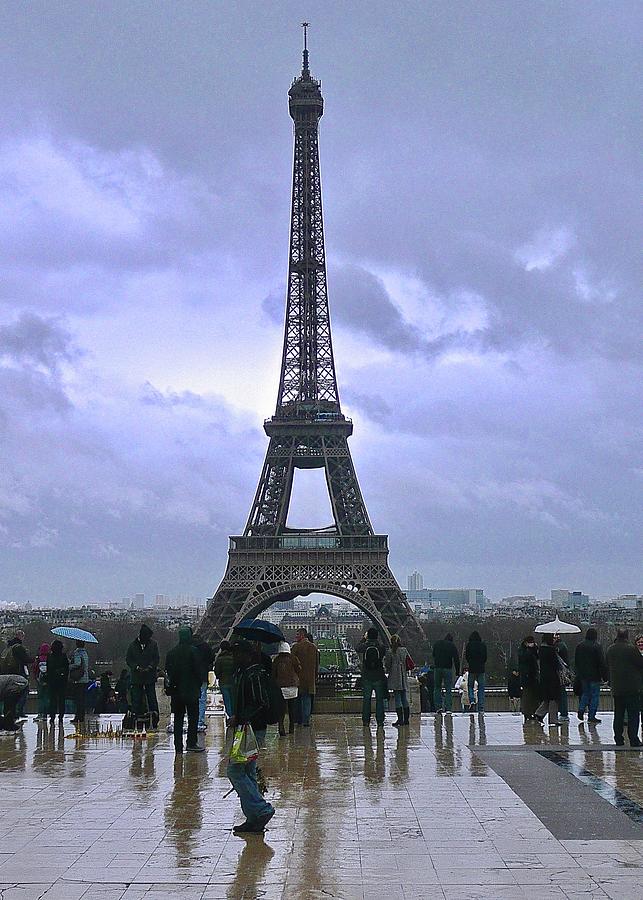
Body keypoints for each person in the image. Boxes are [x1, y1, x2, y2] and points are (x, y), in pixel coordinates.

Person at [227, 640, 276, 834]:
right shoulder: (248, 673)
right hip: (249, 727)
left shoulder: (253, 674)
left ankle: (261, 809)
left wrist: (240, 717)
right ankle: (253, 819)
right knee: (247, 772)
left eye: (237, 654)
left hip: (251, 729)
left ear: (246, 656)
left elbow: (260, 703)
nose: (234, 658)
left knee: (235, 771)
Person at [165, 626, 204, 754]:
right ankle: (191, 743)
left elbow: (168, 672)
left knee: (178, 719)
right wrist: (197, 684)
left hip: (177, 692)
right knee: (193, 718)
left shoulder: (171, 653)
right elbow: (199, 671)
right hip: (191, 690)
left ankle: (178, 746)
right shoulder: (194, 651)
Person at [606, 628, 643, 747]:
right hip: (632, 687)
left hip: (617, 687)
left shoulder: (610, 649)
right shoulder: (631, 649)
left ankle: (618, 738)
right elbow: (640, 664)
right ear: (627, 636)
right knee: (633, 714)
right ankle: (633, 739)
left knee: (618, 714)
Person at [126, 624, 160, 730]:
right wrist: (136, 668)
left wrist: (150, 667)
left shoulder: (151, 644)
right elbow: (129, 660)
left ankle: (153, 718)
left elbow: (156, 659)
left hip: (147, 675)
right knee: (137, 699)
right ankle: (136, 717)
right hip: (138, 676)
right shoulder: (134, 645)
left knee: (151, 698)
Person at [574, 627, 607, 724]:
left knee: (585, 693)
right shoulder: (597, 646)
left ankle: (581, 709)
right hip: (595, 675)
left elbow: (576, 661)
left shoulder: (579, 646)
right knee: (595, 696)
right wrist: (605, 676)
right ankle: (591, 716)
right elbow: (601, 662)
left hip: (583, 675)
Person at [356, 628, 387, 728]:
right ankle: (380, 721)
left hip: (367, 676)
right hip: (378, 675)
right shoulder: (381, 646)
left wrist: (363, 639)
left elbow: (357, 648)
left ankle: (366, 721)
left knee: (366, 699)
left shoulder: (365, 646)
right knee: (379, 700)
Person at [272, 641, 301, 735]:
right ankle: (291, 728)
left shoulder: (277, 660)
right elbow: (299, 669)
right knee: (292, 708)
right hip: (292, 686)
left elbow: (273, 673)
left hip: (281, 686)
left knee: (282, 709)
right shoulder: (293, 658)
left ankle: (281, 727)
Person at [1, 631, 32, 719]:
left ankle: (9, 714)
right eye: (23, 636)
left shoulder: (8, 647)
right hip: (18, 673)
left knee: (9, 694)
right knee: (23, 691)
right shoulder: (18, 647)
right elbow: (26, 659)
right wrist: (34, 658)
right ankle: (18, 712)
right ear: (20, 636)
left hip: (8, 673)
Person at [291, 628, 318, 727]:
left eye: (297, 634)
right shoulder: (313, 647)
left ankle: (298, 719)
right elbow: (317, 664)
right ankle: (306, 720)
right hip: (310, 678)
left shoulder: (296, 647)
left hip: (298, 677)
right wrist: (315, 675)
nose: (296, 636)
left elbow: (292, 662)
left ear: (302, 635)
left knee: (298, 699)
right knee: (307, 699)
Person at [534, 634, 561, 726]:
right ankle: (553, 719)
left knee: (547, 698)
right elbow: (556, 665)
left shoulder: (541, 650)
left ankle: (539, 713)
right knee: (553, 698)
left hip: (544, 677)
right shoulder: (551, 650)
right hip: (553, 677)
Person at [385, 635, 411, 727]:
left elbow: (387, 665)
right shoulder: (404, 650)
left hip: (395, 676)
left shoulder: (390, 652)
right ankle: (406, 720)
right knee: (404, 698)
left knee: (398, 698)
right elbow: (409, 661)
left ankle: (400, 719)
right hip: (403, 675)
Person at [432, 633, 460, 713]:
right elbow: (456, 659)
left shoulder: (437, 644)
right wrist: (458, 672)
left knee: (437, 688)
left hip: (437, 668)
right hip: (447, 668)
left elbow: (433, 655)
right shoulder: (452, 646)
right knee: (448, 689)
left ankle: (438, 707)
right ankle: (448, 708)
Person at [194, 639, 215, 733]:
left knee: (193, 699)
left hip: (192, 677)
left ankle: (193, 721)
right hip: (203, 676)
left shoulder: (190, 646)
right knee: (202, 699)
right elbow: (212, 659)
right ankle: (200, 721)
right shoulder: (205, 646)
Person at [46, 640, 69, 724]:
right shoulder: (64, 656)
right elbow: (67, 670)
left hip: (52, 681)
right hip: (62, 681)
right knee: (61, 699)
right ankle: (61, 715)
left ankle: (52, 716)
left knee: (52, 699)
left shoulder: (49, 656)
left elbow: (48, 670)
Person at [464, 631, 487, 712]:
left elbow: (467, 656)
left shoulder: (469, 645)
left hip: (472, 668)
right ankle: (481, 706)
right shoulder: (483, 645)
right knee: (481, 687)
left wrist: (470, 662)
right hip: (481, 668)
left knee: (470, 686)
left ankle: (472, 700)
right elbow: (485, 657)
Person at [518, 635, 540, 720]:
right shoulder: (523, 651)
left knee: (534, 696)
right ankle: (527, 712)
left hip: (533, 675)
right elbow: (525, 659)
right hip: (527, 676)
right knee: (527, 695)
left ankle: (534, 711)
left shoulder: (532, 650)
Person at [69, 640, 90, 724]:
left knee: (78, 699)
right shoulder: (85, 653)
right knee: (82, 699)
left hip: (79, 679)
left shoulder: (77, 653)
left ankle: (78, 716)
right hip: (85, 678)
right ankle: (81, 716)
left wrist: (69, 666)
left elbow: (77, 664)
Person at [214, 641, 236, 718]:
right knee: (233, 699)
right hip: (233, 681)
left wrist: (219, 676)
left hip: (223, 682)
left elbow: (217, 671)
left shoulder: (219, 659)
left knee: (227, 700)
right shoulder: (233, 658)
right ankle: (234, 715)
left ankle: (230, 716)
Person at [32, 643, 50, 721]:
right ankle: (45, 714)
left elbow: (34, 669)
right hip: (48, 680)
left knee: (40, 697)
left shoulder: (38, 658)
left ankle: (40, 713)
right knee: (47, 697)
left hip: (40, 680)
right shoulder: (50, 658)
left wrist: (35, 677)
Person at [554, 634, 570, 721]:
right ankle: (563, 712)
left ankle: (563, 713)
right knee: (562, 692)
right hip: (562, 672)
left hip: (560, 673)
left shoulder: (559, 646)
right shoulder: (562, 645)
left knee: (561, 693)